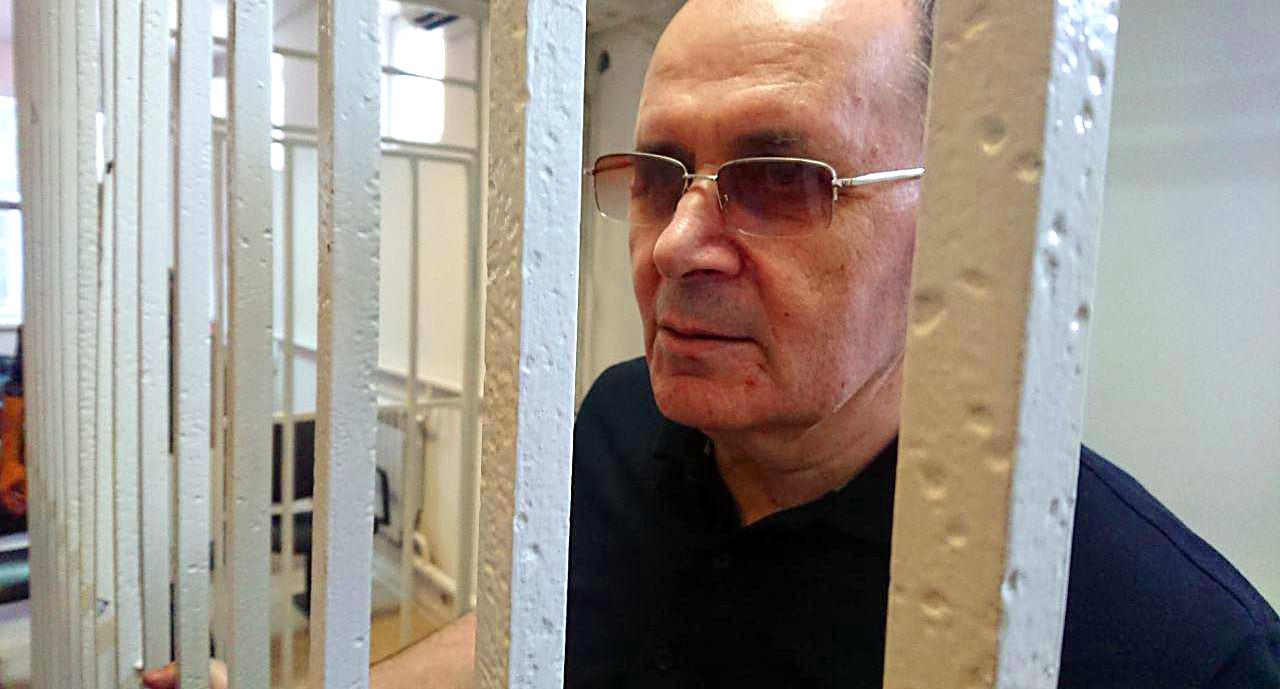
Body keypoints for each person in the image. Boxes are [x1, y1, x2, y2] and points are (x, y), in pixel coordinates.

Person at [146, 0, 1280, 686]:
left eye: (779, 177)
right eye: (656, 175)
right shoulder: (620, 418)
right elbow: (536, 638)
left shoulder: (1172, 647)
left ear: (958, 224)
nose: (677, 245)